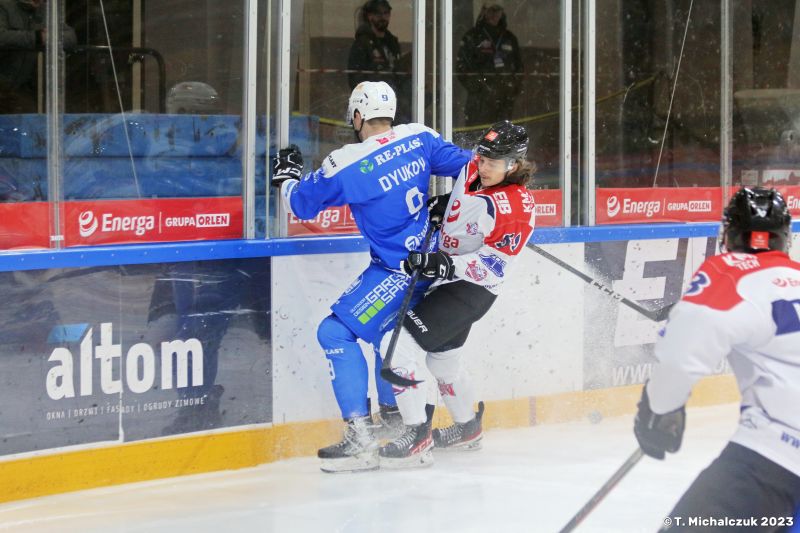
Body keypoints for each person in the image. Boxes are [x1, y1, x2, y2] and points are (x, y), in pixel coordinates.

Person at [271, 80, 471, 473]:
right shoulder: (419, 137)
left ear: (358, 116)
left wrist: (287, 178)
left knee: (334, 333)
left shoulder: (347, 162)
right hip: (431, 262)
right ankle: (397, 422)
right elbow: (474, 168)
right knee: (386, 336)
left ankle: (361, 438)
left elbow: (301, 205)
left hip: (398, 270)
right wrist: (454, 203)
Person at [633, 187, 800, 532]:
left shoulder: (731, 270)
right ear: (784, 237)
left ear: (729, 234)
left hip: (776, 458)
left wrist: (661, 407)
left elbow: (681, 354)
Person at [376, 120, 536, 468]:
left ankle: (417, 435)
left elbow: (493, 267)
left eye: (493, 162)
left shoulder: (515, 209)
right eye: (482, 158)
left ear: (514, 164)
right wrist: (447, 205)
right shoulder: (476, 169)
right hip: (451, 282)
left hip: (470, 289)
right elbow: (468, 200)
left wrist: (445, 264)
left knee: (397, 344)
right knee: (442, 361)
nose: (483, 166)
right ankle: (467, 429)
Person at [0, 0, 76, 113]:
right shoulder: (4, 6)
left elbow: (71, 37)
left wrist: (50, 37)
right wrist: (37, 37)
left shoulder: (45, 11)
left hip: (21, 87)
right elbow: (2, 37)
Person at [456, 4, 523, 128]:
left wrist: (511, 89)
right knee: (477, 133)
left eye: (497, 10)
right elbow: (461, 67)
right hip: (479, 101)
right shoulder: (473, 36)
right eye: (491, 10)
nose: (494, 14)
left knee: (500, 134)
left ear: (502, 12)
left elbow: (519, 68)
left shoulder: (509, 38)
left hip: (503, 101)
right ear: (484, 11)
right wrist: (478, 87)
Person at [347, 0, 410, 123]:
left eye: (386, 13)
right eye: (378, 14)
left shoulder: (392, 42)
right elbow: (355, 78)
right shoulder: (362, 43)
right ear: (369, 16)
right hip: (372, 106)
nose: (383, 17)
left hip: (395, 103)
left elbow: (397, 73)